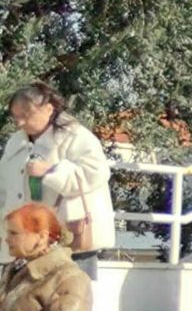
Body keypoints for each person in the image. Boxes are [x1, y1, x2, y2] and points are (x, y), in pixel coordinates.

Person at [2, 83, 116, 269]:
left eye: (26, 115)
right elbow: (3, 188)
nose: (20, 123)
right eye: (16, 117)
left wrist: (52, 171)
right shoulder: (16, 143)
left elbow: (97, 173)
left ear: (48, 109)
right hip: (24, 245)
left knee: (69, 287)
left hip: (69, 243)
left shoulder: (76, 136)